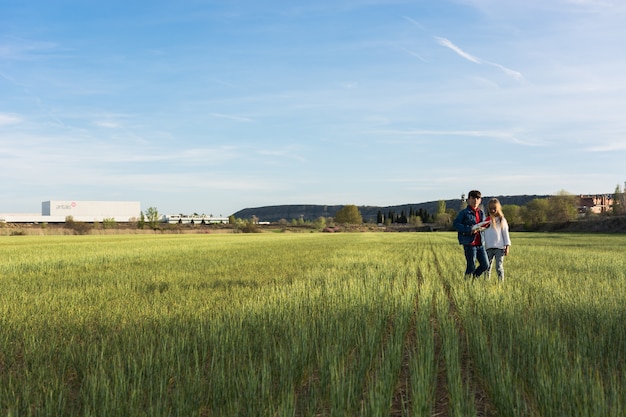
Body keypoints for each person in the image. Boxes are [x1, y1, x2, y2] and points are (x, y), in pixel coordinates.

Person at [453, 190, 489, 279]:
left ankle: (473, 279)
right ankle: (467, 284)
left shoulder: (481, 212)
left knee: (485, 265)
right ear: (468, 200)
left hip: (480, 243)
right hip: (469, 243)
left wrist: (485, 226)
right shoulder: (464, 213)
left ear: (480, 200)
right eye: (473, 198)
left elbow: (483, 224)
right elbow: (456, 224)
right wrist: (469, 229)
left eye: (478, 198)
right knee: (471, 266)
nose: (475, 200)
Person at [482, 198, 511, 281]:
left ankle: (500, 283)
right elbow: (482, 232)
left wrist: (507, 247)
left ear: (498, 208)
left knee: (499, 267)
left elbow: (506, 234)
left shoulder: (502, 220)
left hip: (500, 248)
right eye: (490, 208)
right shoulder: (486, 220)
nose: (493, 210)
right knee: (487, 267)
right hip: (488, 247)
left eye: (494, 208)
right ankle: (486, 283)